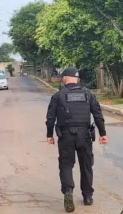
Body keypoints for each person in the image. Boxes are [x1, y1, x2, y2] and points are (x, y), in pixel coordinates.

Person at [45, 67, 108, 212]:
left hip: (66, 136)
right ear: (77, 79)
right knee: (86, 165)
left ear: (66, 78)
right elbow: (97, 114)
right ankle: (87, 196)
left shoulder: (58, 96)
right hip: (84, 135)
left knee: (66, 164)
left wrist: (49, 135)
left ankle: (68, 191)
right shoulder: (88, 94)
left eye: (63, 77)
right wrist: (103, 133)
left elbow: (50, 118)